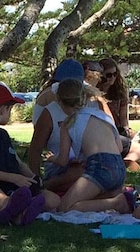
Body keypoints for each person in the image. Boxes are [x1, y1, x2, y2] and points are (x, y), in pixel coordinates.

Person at [0, 83, 60, 224]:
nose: (10, 113)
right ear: (3, 109)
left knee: (53, 200)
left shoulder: (4, 133)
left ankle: (24, 208)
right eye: (10, 109)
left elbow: (17, 162)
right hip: (0, 184)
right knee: (29, 197)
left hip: (16, 183)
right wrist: (14, 178)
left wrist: (32, 176)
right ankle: (21, 209)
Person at [49, 78, 131, 214]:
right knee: (92, 197)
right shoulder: (102, 116)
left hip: (100, 167)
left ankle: (117, 202)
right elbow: (119, 148)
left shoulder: (68, 123)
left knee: (65, 208)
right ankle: (114, 199)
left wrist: (52, 158)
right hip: (119, 167)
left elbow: (62, 161)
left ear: (60, 102)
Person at [28, 59, 86, 195]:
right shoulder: (49, 112)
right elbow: (35, 149)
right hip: (60, 168)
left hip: (86, 164)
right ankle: (48, 186)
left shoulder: (92, 106)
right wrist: (36, 178)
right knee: (79, 173)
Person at [96, 57, 140, 171]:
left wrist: (128, 132)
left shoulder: (119, 91)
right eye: (109, 75)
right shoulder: (93, 93)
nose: (113, 78)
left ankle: (127, 160)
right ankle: (125, 159)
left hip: (117, 130)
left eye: (115, 74)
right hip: (102, 132)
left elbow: (123, 119)